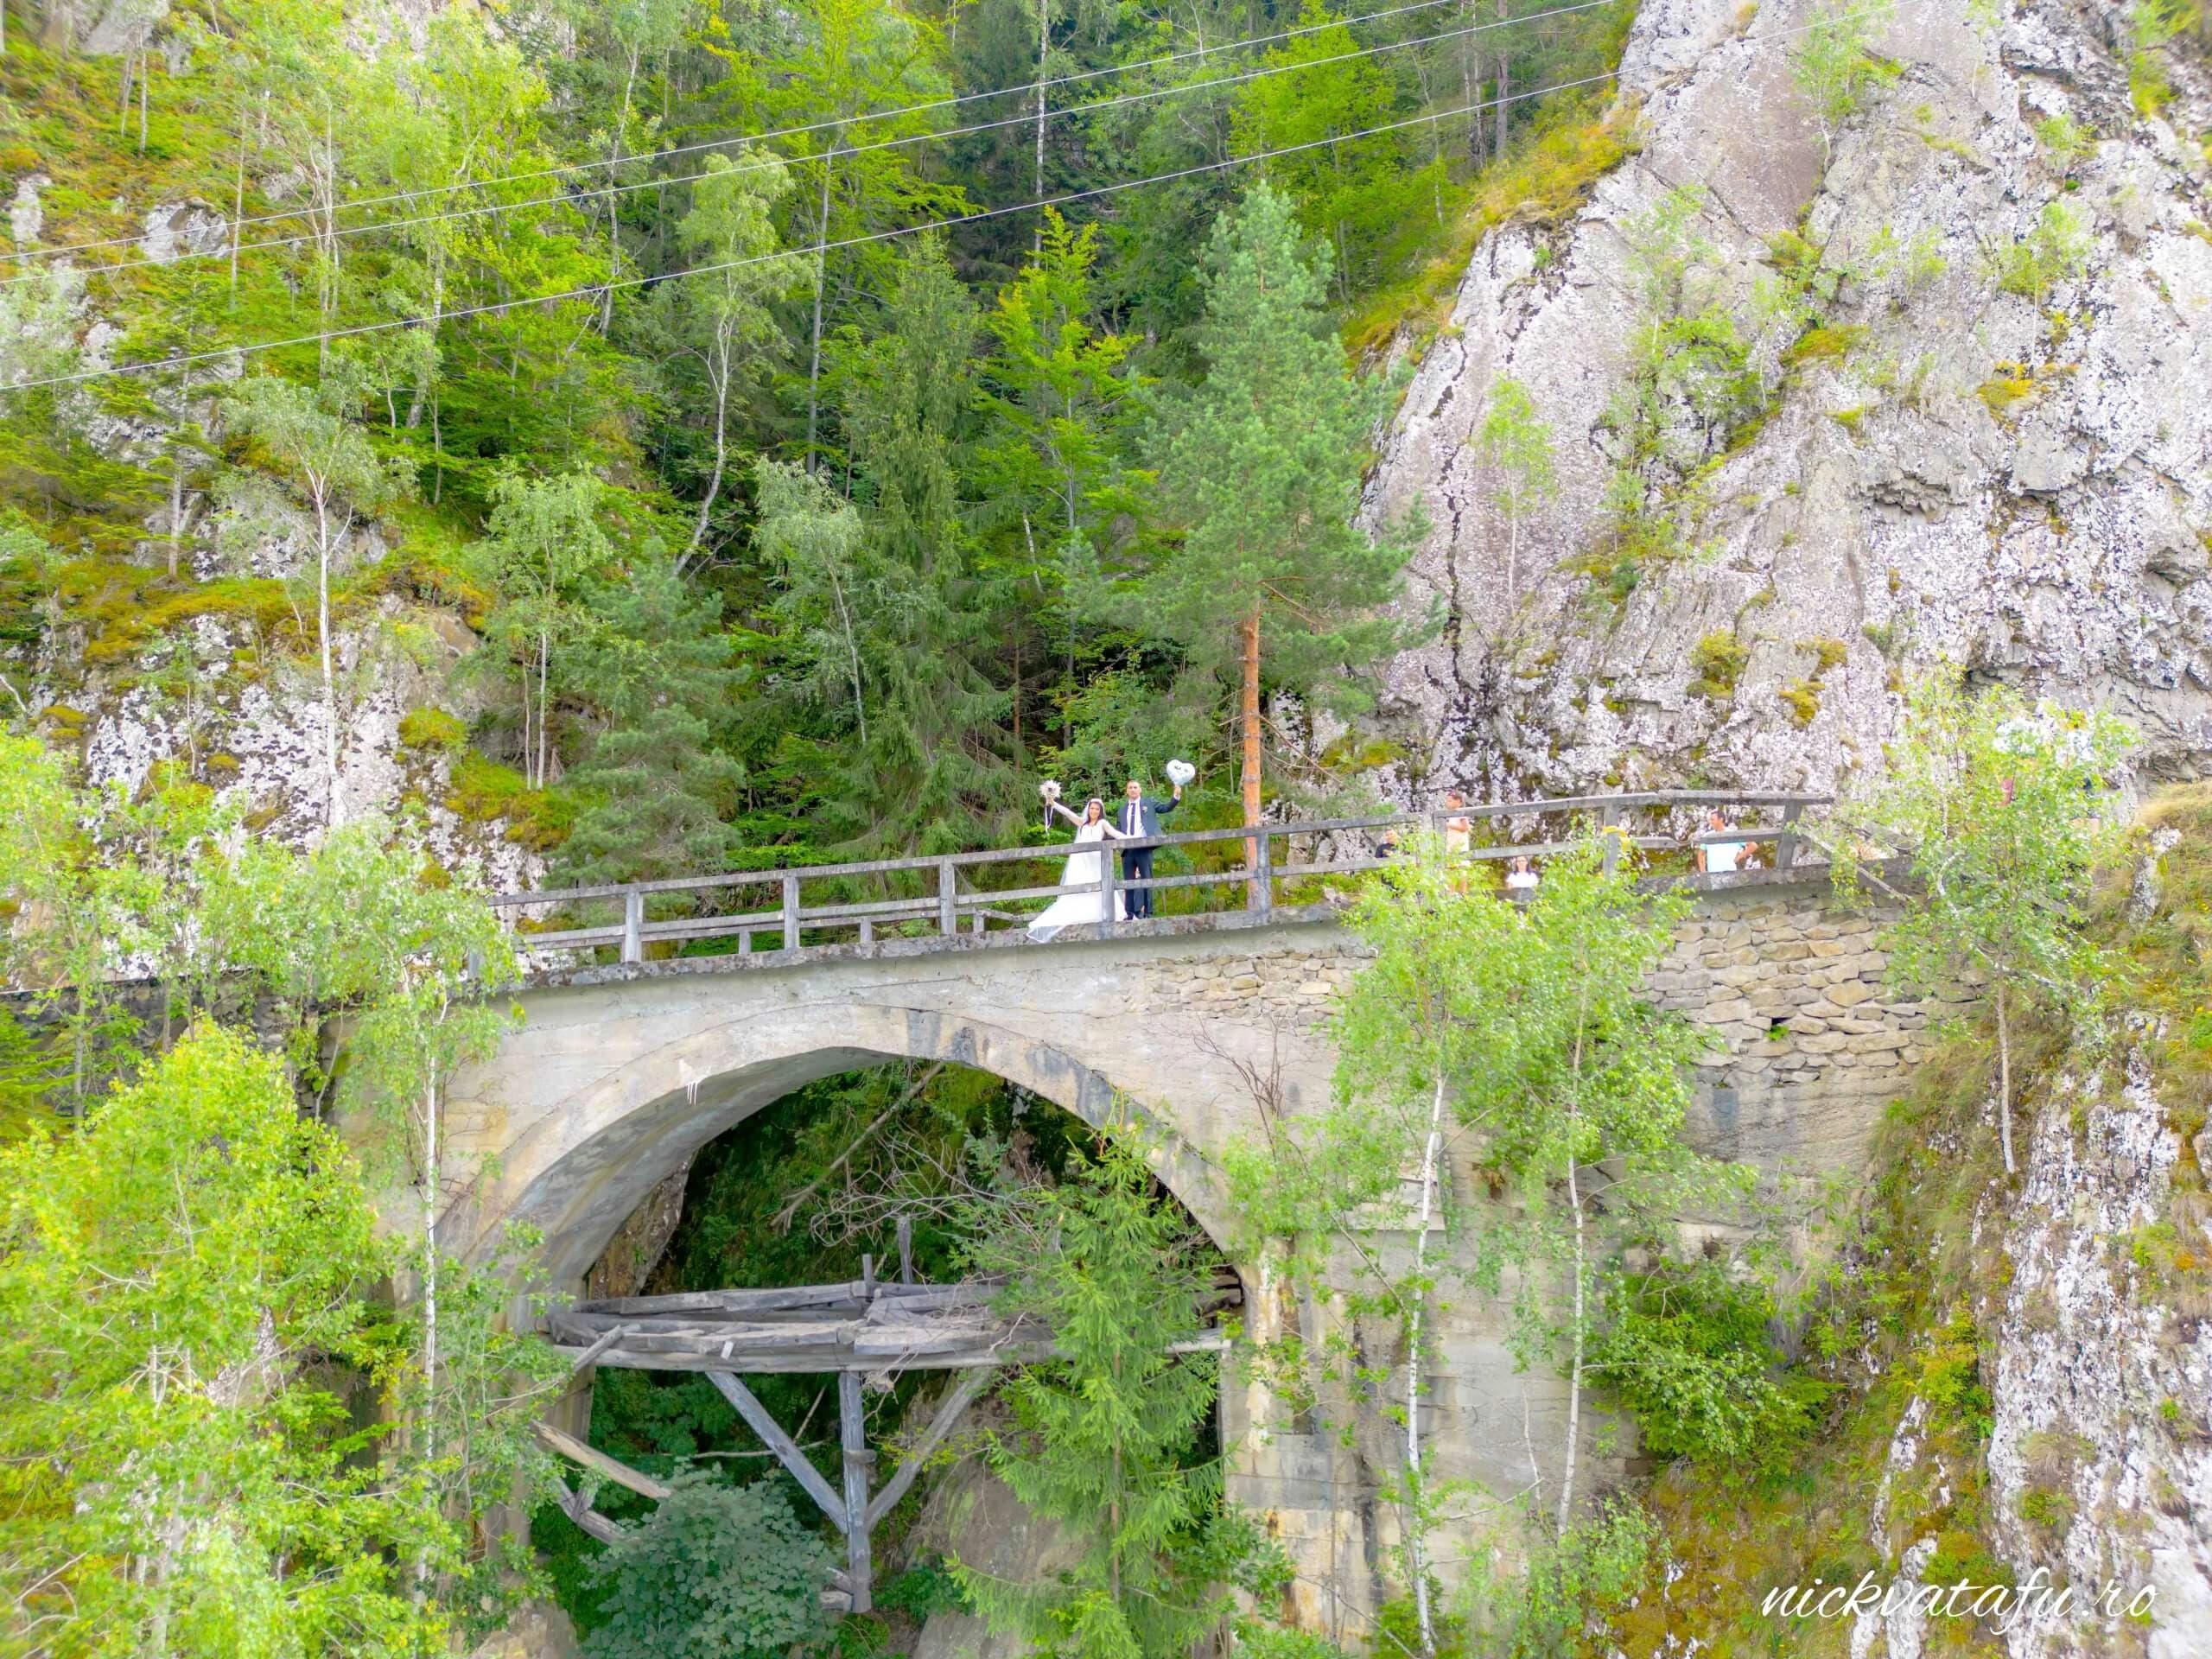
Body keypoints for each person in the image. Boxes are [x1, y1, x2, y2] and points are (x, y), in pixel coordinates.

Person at [1027, 798, 1128, 941]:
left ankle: (1102, 913)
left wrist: (1132, 839)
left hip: (1095, 859)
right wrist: (1054, 804)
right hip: (1081, 859)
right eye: (1092, 808)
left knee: (1098, 884)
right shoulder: (1082, 823)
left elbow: (1115, 833)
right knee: (1079, 883)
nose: (1094, 811)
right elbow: (1068, 813)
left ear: (1100, 811)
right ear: (1088, 809)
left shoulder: (1102, 823)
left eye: (1097, 809)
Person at [1115, 774, 1183, 919]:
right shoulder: (1122, 810)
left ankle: (1148, 913)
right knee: (1129, 882)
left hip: (1144, 846)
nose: (1133, 790)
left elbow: (1166, 808)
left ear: (1140, 790)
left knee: (1147, 880)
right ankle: (1129, 913)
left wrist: (1176, 796)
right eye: (1130, 788)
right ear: (1127, 791)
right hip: (1127, 849)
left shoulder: (1149, 803)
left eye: (1135, 787)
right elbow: (1118, 829)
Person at [1695, 808, 1745, 875]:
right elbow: (1701, 854)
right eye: (1710, 819)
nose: (1710, 822)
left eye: (1713, 819)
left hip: (1730, 875)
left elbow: (1753, 845)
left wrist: (1738, 857)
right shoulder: (1707, 836)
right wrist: (1703, 872)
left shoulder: (1732, 834)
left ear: (1720, 820)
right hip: (1713, 876)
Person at [1442, 791, 1472, 859]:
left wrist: (1450, 826)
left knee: (1460, 859)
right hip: (1453, 841)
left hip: (1460, 842)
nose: (1447, 803)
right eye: (1447, 801)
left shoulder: (1461, 814)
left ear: (1458, 802)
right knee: (1452, 858)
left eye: (1450, 801)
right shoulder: (1452, 814)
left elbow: (1465, 828)